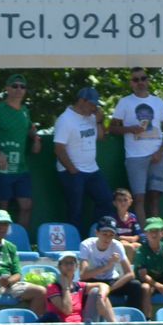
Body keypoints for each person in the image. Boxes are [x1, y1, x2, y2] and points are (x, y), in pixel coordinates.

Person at [109, 68, 163, 221]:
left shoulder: (158, 102)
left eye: (143, 78)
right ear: (131, 83)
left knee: (155, 197)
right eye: (136, 80)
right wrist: (129, 129)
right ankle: (143, 236)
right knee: (139, 198)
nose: (140, 82)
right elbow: (112, 128)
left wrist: (160, 151)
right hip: (135, 157)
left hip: (157, 155)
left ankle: (156, 236)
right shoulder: (124, 102)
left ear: (148, 80)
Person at [0, 75, 39, 231]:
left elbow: (29, 129)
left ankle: (20, 240)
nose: (19, 89)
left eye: (22, 86)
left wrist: (36, 138)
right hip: (1, 168)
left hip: (21, 167)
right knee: (2, 208)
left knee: (26, 205)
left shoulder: (25, 111)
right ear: (7, 88)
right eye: (15, 86)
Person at [52, 86, 114, 229]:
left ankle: (98, 233)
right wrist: (72, 170)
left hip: (92, 169)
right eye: (92, 104)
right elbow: (58, 148)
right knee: (76, 209)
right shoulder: (65, 119)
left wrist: (99, 121)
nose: (94, 108)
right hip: (72, 171)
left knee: (106, 200)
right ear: (82, 101)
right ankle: (76, 242)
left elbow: (100, 137)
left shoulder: (92, 117)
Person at [79, 217, 145, 311]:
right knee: (80, 288)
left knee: (136, 285)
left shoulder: (117, 245)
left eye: (111, 235)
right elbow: (83, 275)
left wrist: (110, 288)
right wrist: (107, 266)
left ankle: (131, 316)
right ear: (97, 233)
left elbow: (130, 274)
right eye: (104, 234)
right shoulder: (86, 245)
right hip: (93, 282)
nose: (107, 238)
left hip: (111, 282)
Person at [41, 252, 110, 323]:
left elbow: (104, 285)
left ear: (76, 266)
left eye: (72, 263)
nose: (69, 266)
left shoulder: (79, 285)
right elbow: (67, 310)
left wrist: (101, 298)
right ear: (59, 267)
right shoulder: (52, 288)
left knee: (98, 293)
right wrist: (66, 288)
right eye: (65, 263)